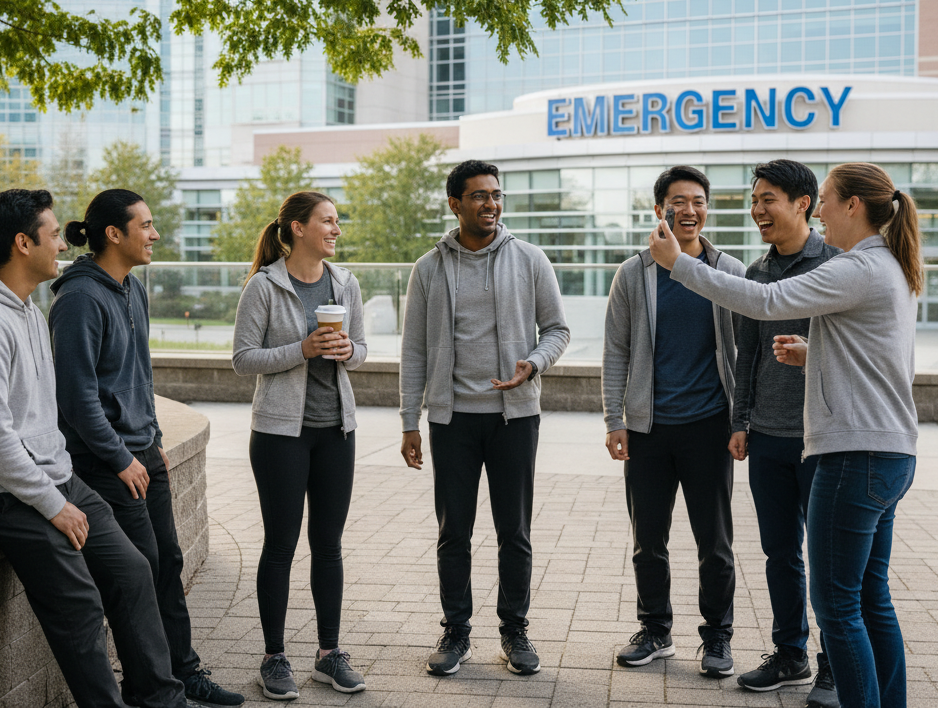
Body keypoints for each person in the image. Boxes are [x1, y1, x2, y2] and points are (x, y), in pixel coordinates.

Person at [649, 162, 922, 708]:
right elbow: (874, 355)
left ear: (852, 207)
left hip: (853, 455)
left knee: (838, 606)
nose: (819, 210)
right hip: (888, 452)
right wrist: (813, 351)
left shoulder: (857, 266)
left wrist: (679, 265)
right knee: (871, 598)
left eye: (826, 200)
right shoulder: (885, 266)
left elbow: (766, 302)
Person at [0, 188, 212, 708]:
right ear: (22, 243)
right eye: (54, 234)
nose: (64, 243)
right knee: (81, 601)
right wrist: (54, 503)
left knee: (133, 570)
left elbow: (41, 422)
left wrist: (64, 486)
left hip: (46, 474)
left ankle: (161, 698)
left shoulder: (27, 312)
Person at [48, 189, 245, 707]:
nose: (156, 235)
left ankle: (180, 674)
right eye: (147, 225)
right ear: (114, 234)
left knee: (167, 564)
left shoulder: (131, 289)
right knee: (143, 573)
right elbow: (76, 396)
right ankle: (157, 690)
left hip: (143, 453)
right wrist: (120, 458)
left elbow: (137, 375)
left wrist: (151, 441)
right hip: (107, 463)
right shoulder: (79, 300)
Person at [399, 159, 570, 678]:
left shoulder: (530, 259)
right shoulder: (429, 268)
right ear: (455, 203)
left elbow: (557, 330)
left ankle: (514, 630)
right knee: (454, 532)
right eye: (479, 196)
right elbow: (414, 352)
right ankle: (456, 631)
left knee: (513, 530)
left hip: (514, 419)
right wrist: (411, 420)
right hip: (451, 420)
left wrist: (534, 363)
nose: (491, 204)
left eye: (496, 195)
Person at [601, 165, 744, 679]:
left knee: (715, 542)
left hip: (709, 426)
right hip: (647, 429)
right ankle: (656, 630)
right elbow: (615, 350)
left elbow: (743, 353)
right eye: (679, 201)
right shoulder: (634, 273)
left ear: (708, 208)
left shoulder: (728, 269)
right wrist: (614, 417)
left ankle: (717, 637)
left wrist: (740, 419)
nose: (690, 210)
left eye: (699, 200)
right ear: (659, 208)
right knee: (648, 541)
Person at [231, 191, 369, 701]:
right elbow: (243, 359)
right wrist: (302, 350)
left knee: (328, 546)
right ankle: (274, 657)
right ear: (296, 228)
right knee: (281, 546)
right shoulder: (264, 287)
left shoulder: (345, 283)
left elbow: (362, 351)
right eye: (327, 221)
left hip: (336, 430)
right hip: (278, 436)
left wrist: (348, 349)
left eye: (337, 221)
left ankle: (329, 655)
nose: (336, 229)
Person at [728, 161, 840, 708]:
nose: (757, 210)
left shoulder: (838, 264)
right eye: (754, 200)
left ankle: (833, 664)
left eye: (767, 199)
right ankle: (790, 652)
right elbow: (746, 354)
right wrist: (740, 421)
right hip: (768, 436)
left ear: (803, 202)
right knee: (780, 553)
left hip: (824, 438)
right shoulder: (757, 273)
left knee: (829, 559)